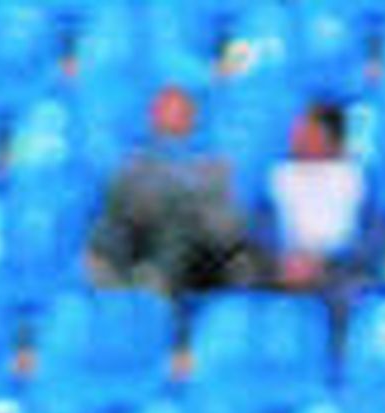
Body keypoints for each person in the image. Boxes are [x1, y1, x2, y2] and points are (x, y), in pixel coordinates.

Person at [85, 82, 257, 307]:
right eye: (167, 111)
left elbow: (227, 227)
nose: (173, 118)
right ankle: (122, 284)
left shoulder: (214, 166)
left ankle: (157, 284)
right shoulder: (134, 164)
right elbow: (121, 210)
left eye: (180, 112)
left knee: (180, 223)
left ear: (192, 118)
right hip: (144, 239)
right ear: (153, 117)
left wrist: (192, 208)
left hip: (199, 254)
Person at [249, 98, 385, 340]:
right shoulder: (278, 176)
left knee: (354, 294)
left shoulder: (358, 178)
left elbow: (371, 239)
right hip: (284, 269)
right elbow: (262, 230)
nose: (297, 138)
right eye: (297, 133)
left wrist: (324, 262)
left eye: (308, 132)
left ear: (331, 137)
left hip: (340, 272)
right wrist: (284, 260)